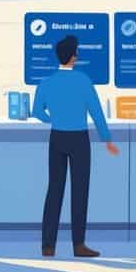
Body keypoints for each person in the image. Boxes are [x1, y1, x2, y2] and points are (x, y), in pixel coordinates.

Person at [32, 34, 120, 258]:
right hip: (79, 139)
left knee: (54, 190)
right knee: (79, 191)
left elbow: (37, 112)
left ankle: (48, 245)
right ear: (73, 56)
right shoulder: (82, 80)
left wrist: (54, 119)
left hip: (57, 138)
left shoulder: (46, 82)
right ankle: (78, 245)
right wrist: (107, 139)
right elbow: (97, 113)